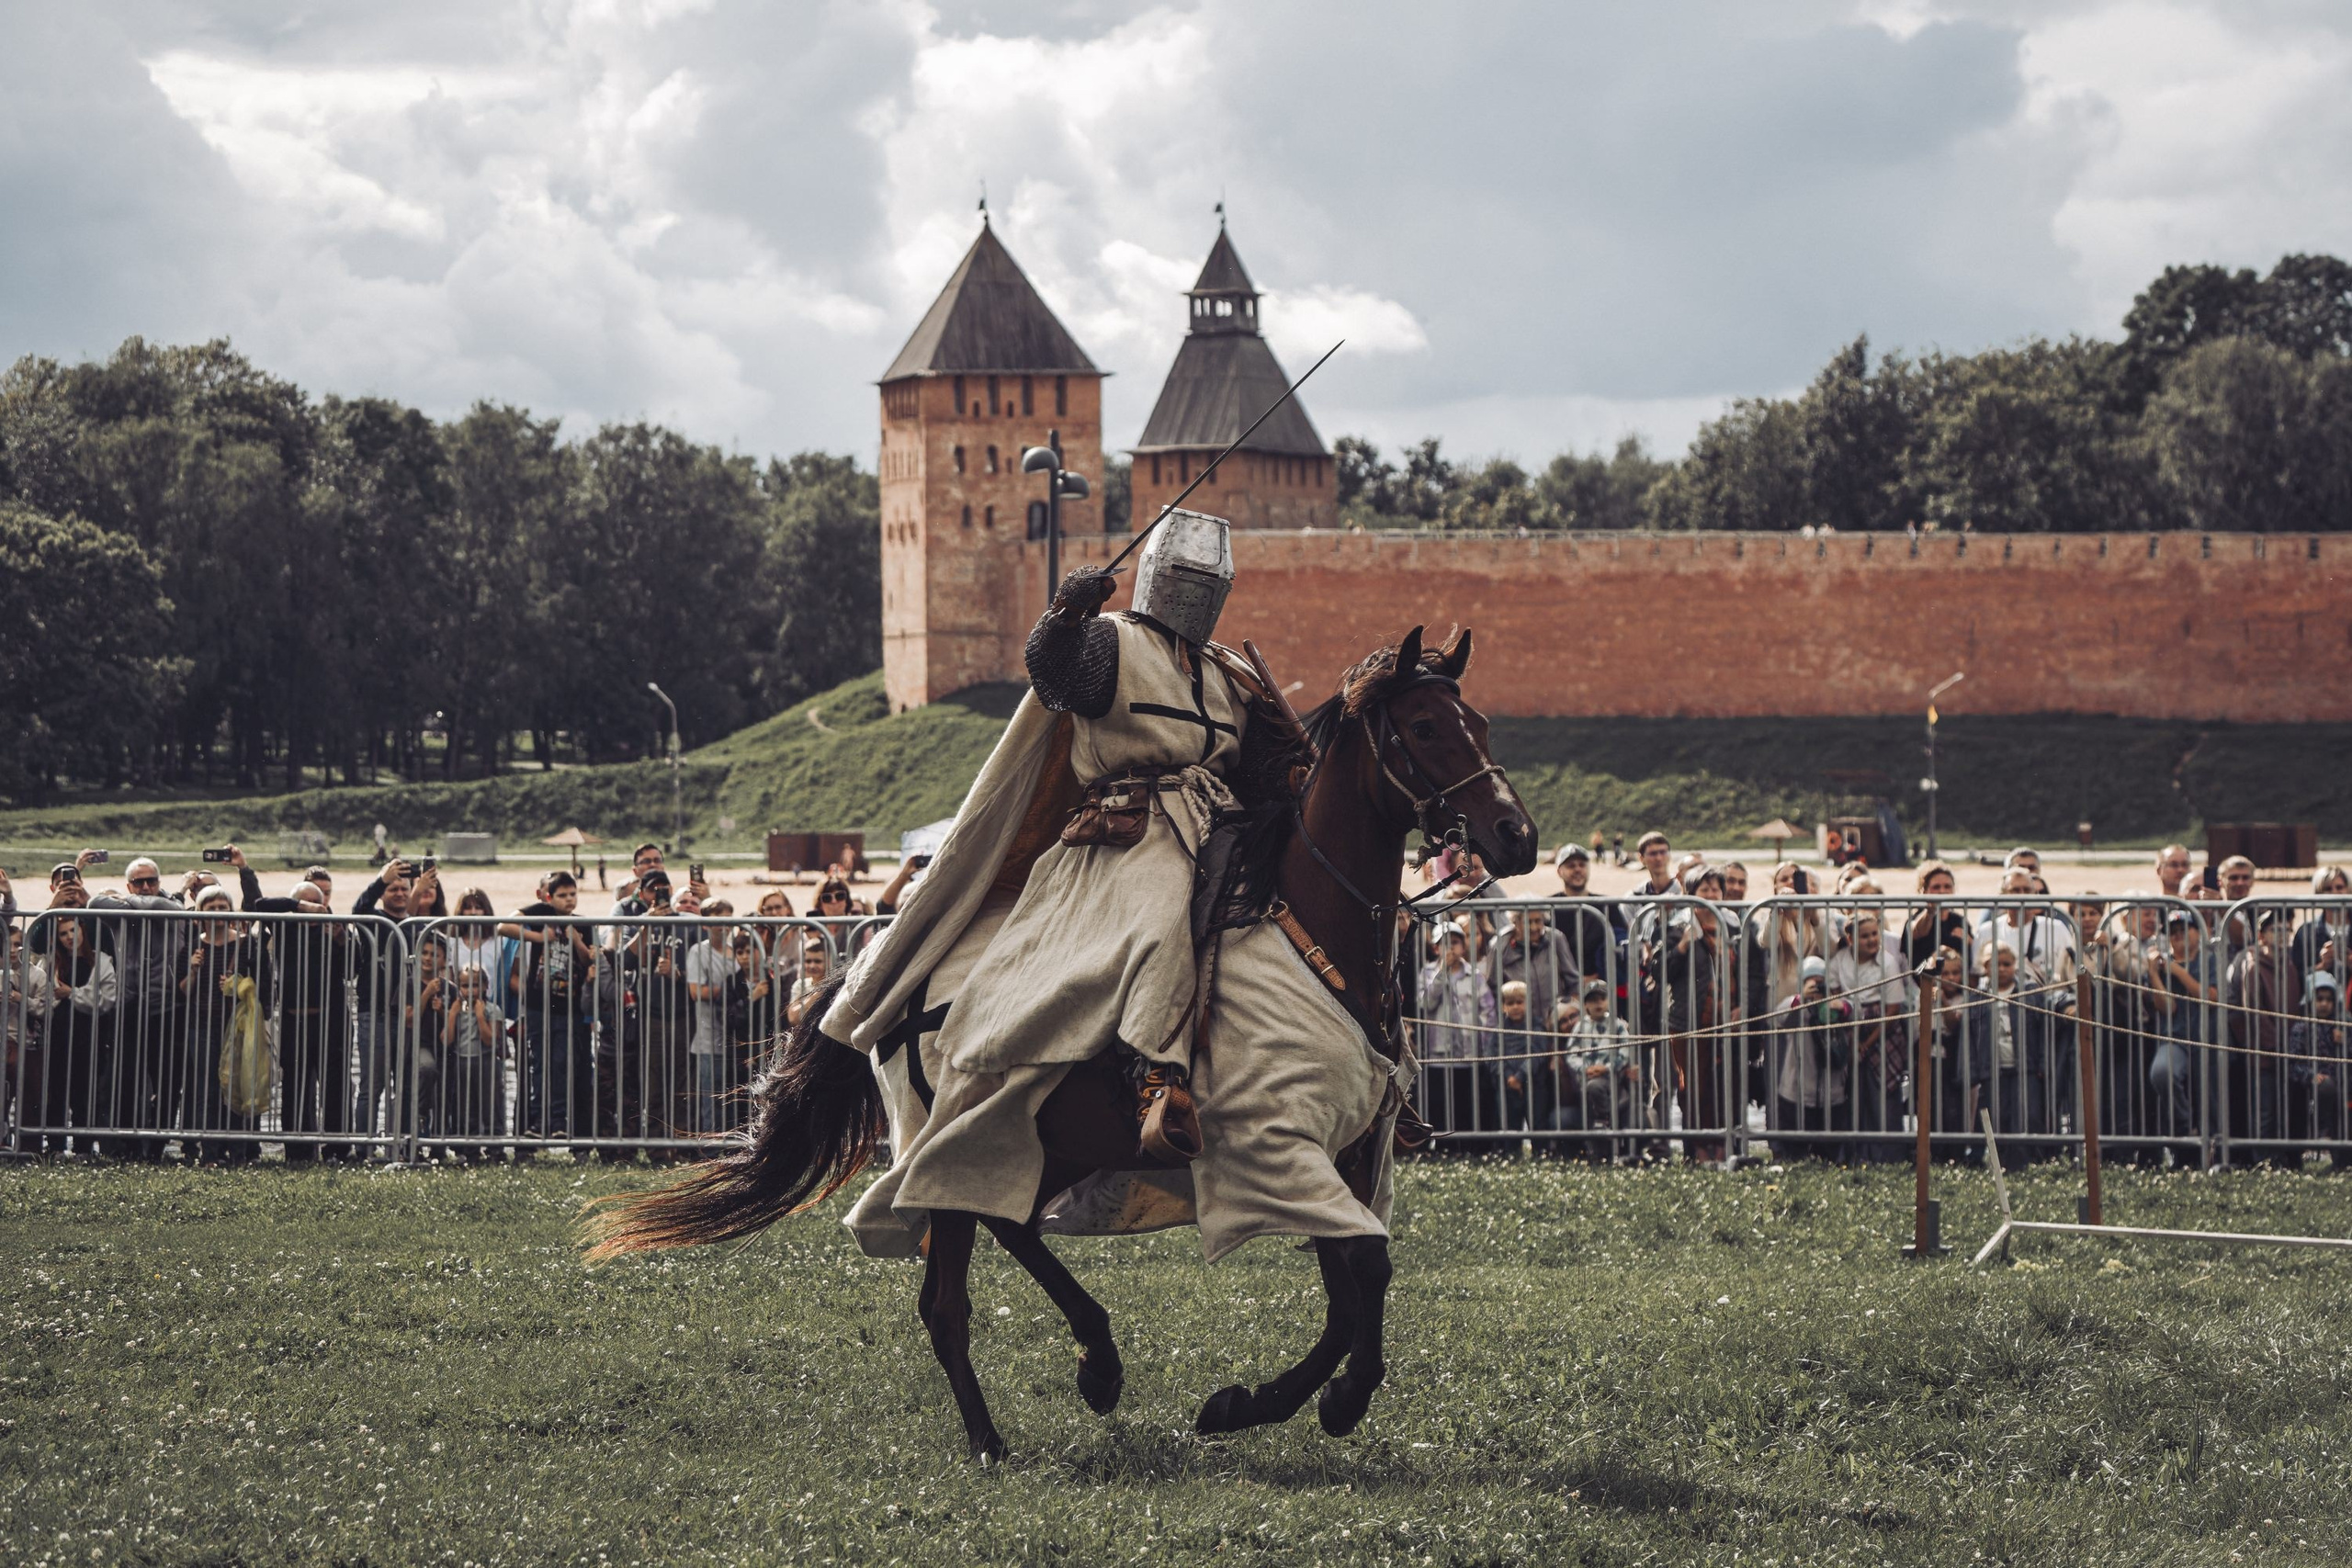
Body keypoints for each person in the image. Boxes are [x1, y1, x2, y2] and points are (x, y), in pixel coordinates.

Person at [500, 871, 596, 1147]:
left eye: (572, 894)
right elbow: (503, 926)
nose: (568, 900)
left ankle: (557, 1123)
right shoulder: (540, 912)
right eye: (562, 895)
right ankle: (537, 1122)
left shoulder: (583, 924)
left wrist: (576, 940)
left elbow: (588, 957)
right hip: (538, 1005)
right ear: (549, 897)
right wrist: (538, 937)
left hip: (569, 1007)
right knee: (539, 1064)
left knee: (561, 1063)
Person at [16, 902, 118, 1156]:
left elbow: (106, 999)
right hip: (58, 1035)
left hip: (89, 1035)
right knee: (56, 1091)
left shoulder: (101, 961)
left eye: (74, 930)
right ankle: (56, 1145)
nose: (70, 937)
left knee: (84, 1091)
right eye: (64, 933)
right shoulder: (52, 962)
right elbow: (45, 997)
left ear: (83, 930)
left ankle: (83, 1146)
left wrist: (72, 993)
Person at [180, 885, 272, 1166]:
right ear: (200, 912)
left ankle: (240, 1153)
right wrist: (194, 970)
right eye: (212, 907)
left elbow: (263, 987)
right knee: (207, 1089)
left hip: (239, 1027)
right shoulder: (193, 946)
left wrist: (238, 986)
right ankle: (210, 1154)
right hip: (202, 1025)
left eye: (223, 907)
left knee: (237, 1087)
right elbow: (183, 991)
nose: (218, 912)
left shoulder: (247, 944)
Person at [1826, 908, 1910, 1161]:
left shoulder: (1888, 962)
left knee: (1883, 1094)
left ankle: (1889, 1155)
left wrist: (1866, 1043)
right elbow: (1832, 996)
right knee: (1853, 1094)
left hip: (1882, 1030)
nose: (1872, 940)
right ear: (1850, 939)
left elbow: (1894, 1007)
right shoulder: (1838, 961)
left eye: (1875, 934)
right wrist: (1851, 1040)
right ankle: (1856, 1154)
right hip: (1848, 1027)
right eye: (1865, 936)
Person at [2225, 907, 2301, 1164]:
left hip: (2287, 1050)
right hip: (2265, 1051)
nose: (2282, 934)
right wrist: (2275, 1047)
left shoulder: (2289, 963)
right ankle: (2263, 1162)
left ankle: (2281, 1159)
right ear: (2262, 935)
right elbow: (2254, 1012)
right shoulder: (2254, 964)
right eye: (2274, 930)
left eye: (2286, 930)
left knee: (2284, 1108)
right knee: (2265, 1109)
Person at [1418, 920, 1498, 1137]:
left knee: (1466, 1103)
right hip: (1439, 1053)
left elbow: (1488, 1011)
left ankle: (1467, 1146)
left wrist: (1483, 1043)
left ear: (1463, 946)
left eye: (1455, 943)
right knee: (1441, 1104)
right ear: (1436, 948)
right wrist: (1441, 974)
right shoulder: (1427, 973)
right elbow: (1426, 1004)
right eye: (1445, 944)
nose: (1451, 949)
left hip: (1468, 1053)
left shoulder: (1475, 975)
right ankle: (1445, 1145)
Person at [1770, 956, 1851, 1160]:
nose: (1816, 987)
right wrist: (1800, 1000)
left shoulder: (1835, 1003)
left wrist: (1841, 1007)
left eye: (1820, 981)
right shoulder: (1795, 1005)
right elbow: (1777, 1018)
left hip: (1832, 1092)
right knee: (1795, 1145)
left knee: (1829, 1147)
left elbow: (1857, 1013)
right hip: (1796, 1091)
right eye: (1811, 982)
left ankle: (1829, 1163)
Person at [1558, 981, 1637, 1160]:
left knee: (1596, 1091)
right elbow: (1571, 1053)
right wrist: (1585, 1068)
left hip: (1610, 1077)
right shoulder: (1580, 1027)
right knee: (1590, 1100)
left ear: (1609, 1001)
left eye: (1602, 999)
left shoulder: (1617, 1025)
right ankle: (1597, 1152)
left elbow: (1625, 1050)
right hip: (1587, 1077)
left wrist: (1607, 1068)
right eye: (1593, 1000)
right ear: (1585, 1005)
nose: (1598, 1004)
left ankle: (1604, 1120)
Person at [1486, 906, 1577, 1051]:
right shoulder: (1500, 945)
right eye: (1528, 922)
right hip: (1520, 1026)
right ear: (1515, 922)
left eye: (1538, 921)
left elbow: (1573, 979)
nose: (1534, 927)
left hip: (1555, 1023)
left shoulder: (1555, 938)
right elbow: (1492, 987)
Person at [438, 965, 506, 1158]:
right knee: (465, 1105)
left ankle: (495, 1148)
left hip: (485, 1062)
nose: (469, 991)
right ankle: (469, 1148)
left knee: (491, 1104)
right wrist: (451, 1015)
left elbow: (490, 1040)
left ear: (485, 986)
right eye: (465, 986)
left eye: (475, 985)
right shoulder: (456, 1010)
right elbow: (447, 1039)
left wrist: (479, 1015)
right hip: (462, 1061)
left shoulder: (492, 1010)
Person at [685, 900, 739, 1134]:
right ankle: (712, 1151)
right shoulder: (699, 951)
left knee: (732, 1100)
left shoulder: (737, 952)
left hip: (735, 1039)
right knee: (712, 1100)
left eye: (728, 916)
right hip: (709, 1040)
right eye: (718, 918)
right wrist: (731, 990)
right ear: (706, 923)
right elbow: (696, 991)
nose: (724, 924)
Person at [2287, 974, 2348, 1167]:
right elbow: (2293, 1063)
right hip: (2308, 1088)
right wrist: (2311, 1076)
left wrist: (2346, 1042)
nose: (2324, 1004)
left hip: (2341, 1087)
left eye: (2329, 1000)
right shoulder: (2301, 1027)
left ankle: (2341, 1160)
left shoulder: (2342, 1026)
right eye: (2319, 999)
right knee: (2326, 1089)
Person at [1495, 980, 1551, 1139]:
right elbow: (1493, 1056)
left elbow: (1537, 1054)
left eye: (1519, 1002)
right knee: (1509, 1126)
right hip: (1507, 1086)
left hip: (1534, 1085)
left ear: (1528, 1003)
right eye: (1510, 1003)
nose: (1515, 1007)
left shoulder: (1538, 1026)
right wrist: (1508, 1077)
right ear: (1503, 1006)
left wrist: (1520, 1077)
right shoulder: (1499, 1029)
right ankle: (1511, 1154)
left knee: (1538, 1124)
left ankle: (1541, 1154)